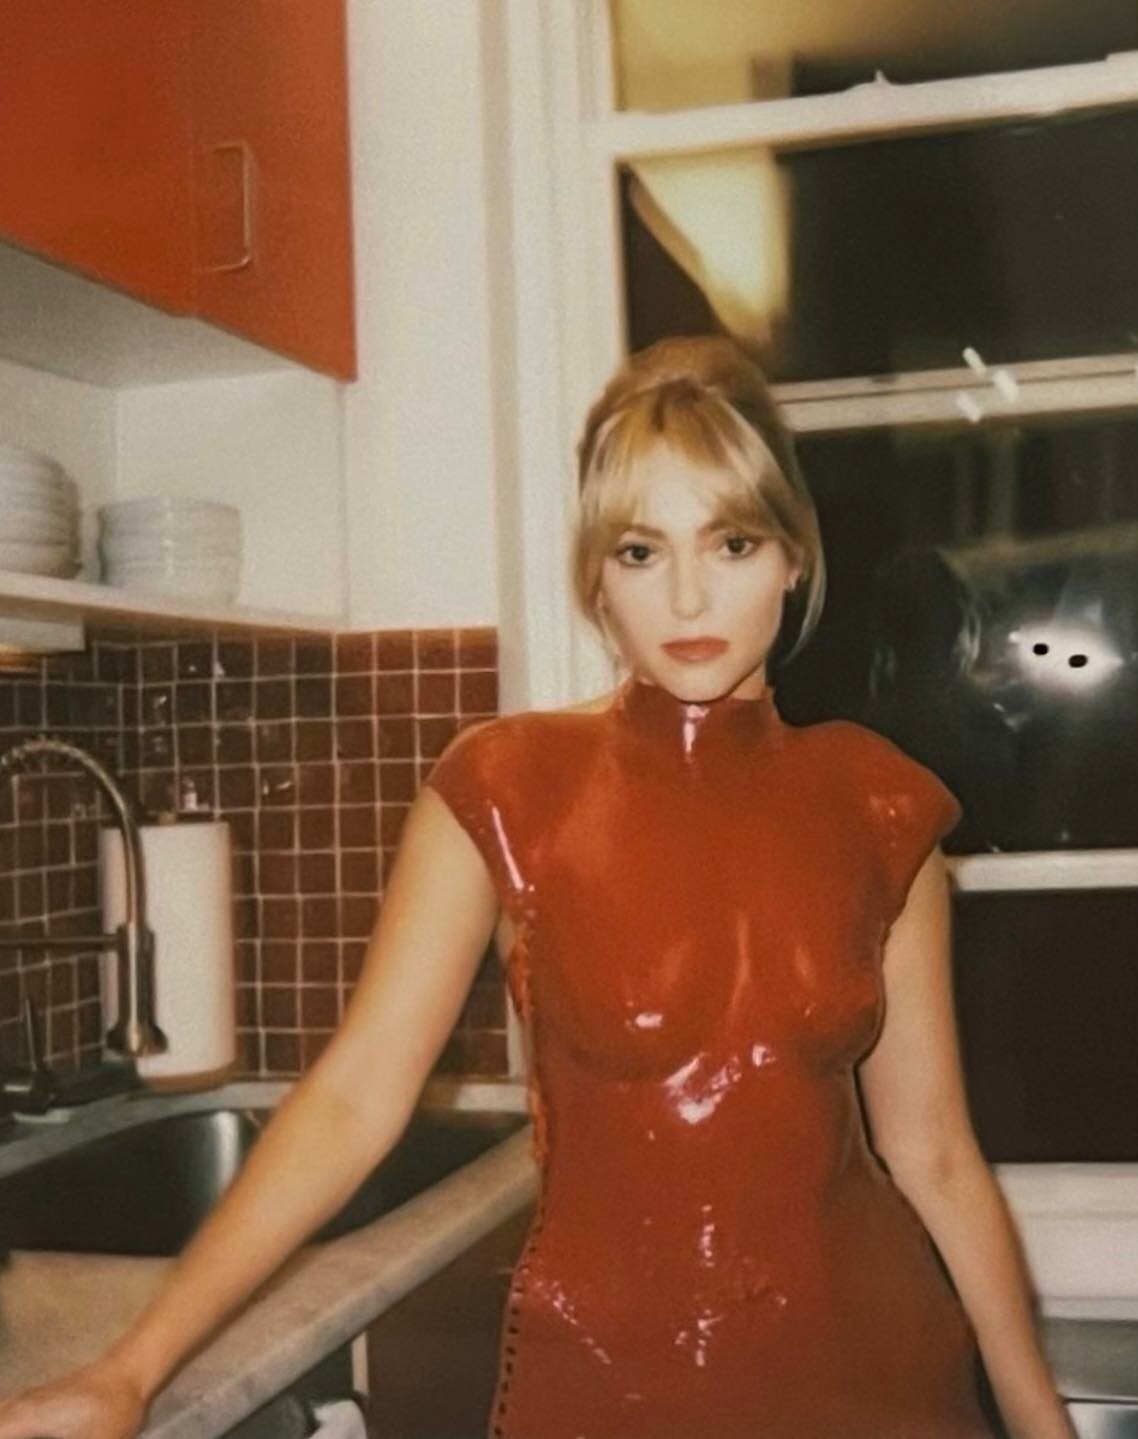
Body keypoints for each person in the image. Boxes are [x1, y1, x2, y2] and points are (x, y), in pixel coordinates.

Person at [0, 336, 1075, 1439]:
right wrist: (129, 1368)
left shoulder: (881, 807)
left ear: (794, 557)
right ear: (597, 578)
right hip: (604, 1387)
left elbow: (935, 1156)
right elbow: (354, 1098)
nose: (689, 593)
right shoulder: (507, 788)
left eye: (733, 541)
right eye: (642, 550)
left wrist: (1043, 1422)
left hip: (878, 1382)